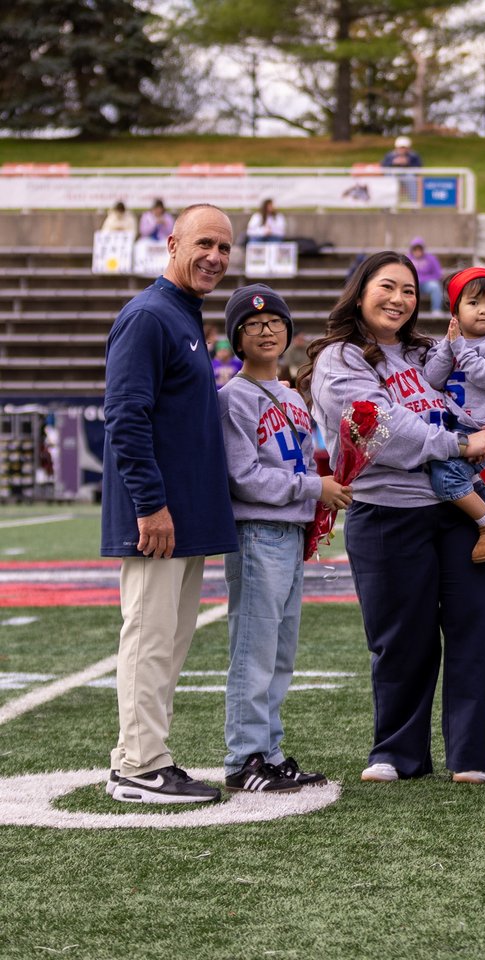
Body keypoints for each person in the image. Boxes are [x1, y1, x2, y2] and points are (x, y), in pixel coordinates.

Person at [298, 251, 485, 785]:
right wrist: (460, 444)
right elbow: (380, 430)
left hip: (463, 511)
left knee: (477, 632)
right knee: (401, 638)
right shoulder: (339, 359)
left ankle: (471, 756)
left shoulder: (431, 351)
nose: (399, 299)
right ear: (359, 291)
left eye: (410, 291)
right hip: (387, 511)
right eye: (387, 287)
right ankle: (397, 752)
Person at [101, 203, 238, 804]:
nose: (215, 257)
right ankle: (137, 765)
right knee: (150, 637)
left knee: (170, 641)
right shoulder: (150, 316)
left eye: (226, 248)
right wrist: (150, 505)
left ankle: (146, 756)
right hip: (157, 518)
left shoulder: (181, 315)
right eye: (204, 243)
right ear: (173, 242)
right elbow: (125, 417)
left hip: (182, 520)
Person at [219, 284, 352, 793]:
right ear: (237, 337)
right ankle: (244, 757)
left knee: (279, 652)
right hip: (257, 531)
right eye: (253, 325)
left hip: (289, 533)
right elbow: (243, 477)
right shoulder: (233, 397)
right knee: (253, 650)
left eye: (275, 322)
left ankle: (269, 751)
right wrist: (312, 488)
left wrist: (317, 500)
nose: (267, 330)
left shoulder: (294, 396)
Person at [423, 267, 485, 562]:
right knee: (441, 475)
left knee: (447, 480)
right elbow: (432, 378)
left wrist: (461, 350)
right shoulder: (450, 344)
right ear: (455, 311)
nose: (484, 311)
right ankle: (475, 521)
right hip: (459, 430)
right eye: (474, 303)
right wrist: (448, 348)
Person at [381, 135, 422, 201]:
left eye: (404, 148)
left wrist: (408, 163)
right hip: (393, 175)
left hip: (407, 176)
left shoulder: (413, 156)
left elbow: (419, 166)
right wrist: (393, 162)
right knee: (389, 179)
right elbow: (383, 165)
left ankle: (414, 204)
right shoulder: (390, 155)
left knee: (411, 178)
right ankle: (387, 204)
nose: (402, 149)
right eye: (401, 148)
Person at [409, 238, 444, 313]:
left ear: (423, 249)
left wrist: (424, 279)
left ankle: (436, 310)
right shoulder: (407, 259)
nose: (417, 251)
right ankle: (409, 312)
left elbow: (438, 274)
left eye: (419, 249)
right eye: (415, 249)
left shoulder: (431, 258)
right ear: (412, 250)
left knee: (435, 286)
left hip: (426, 284)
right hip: (412, 283)